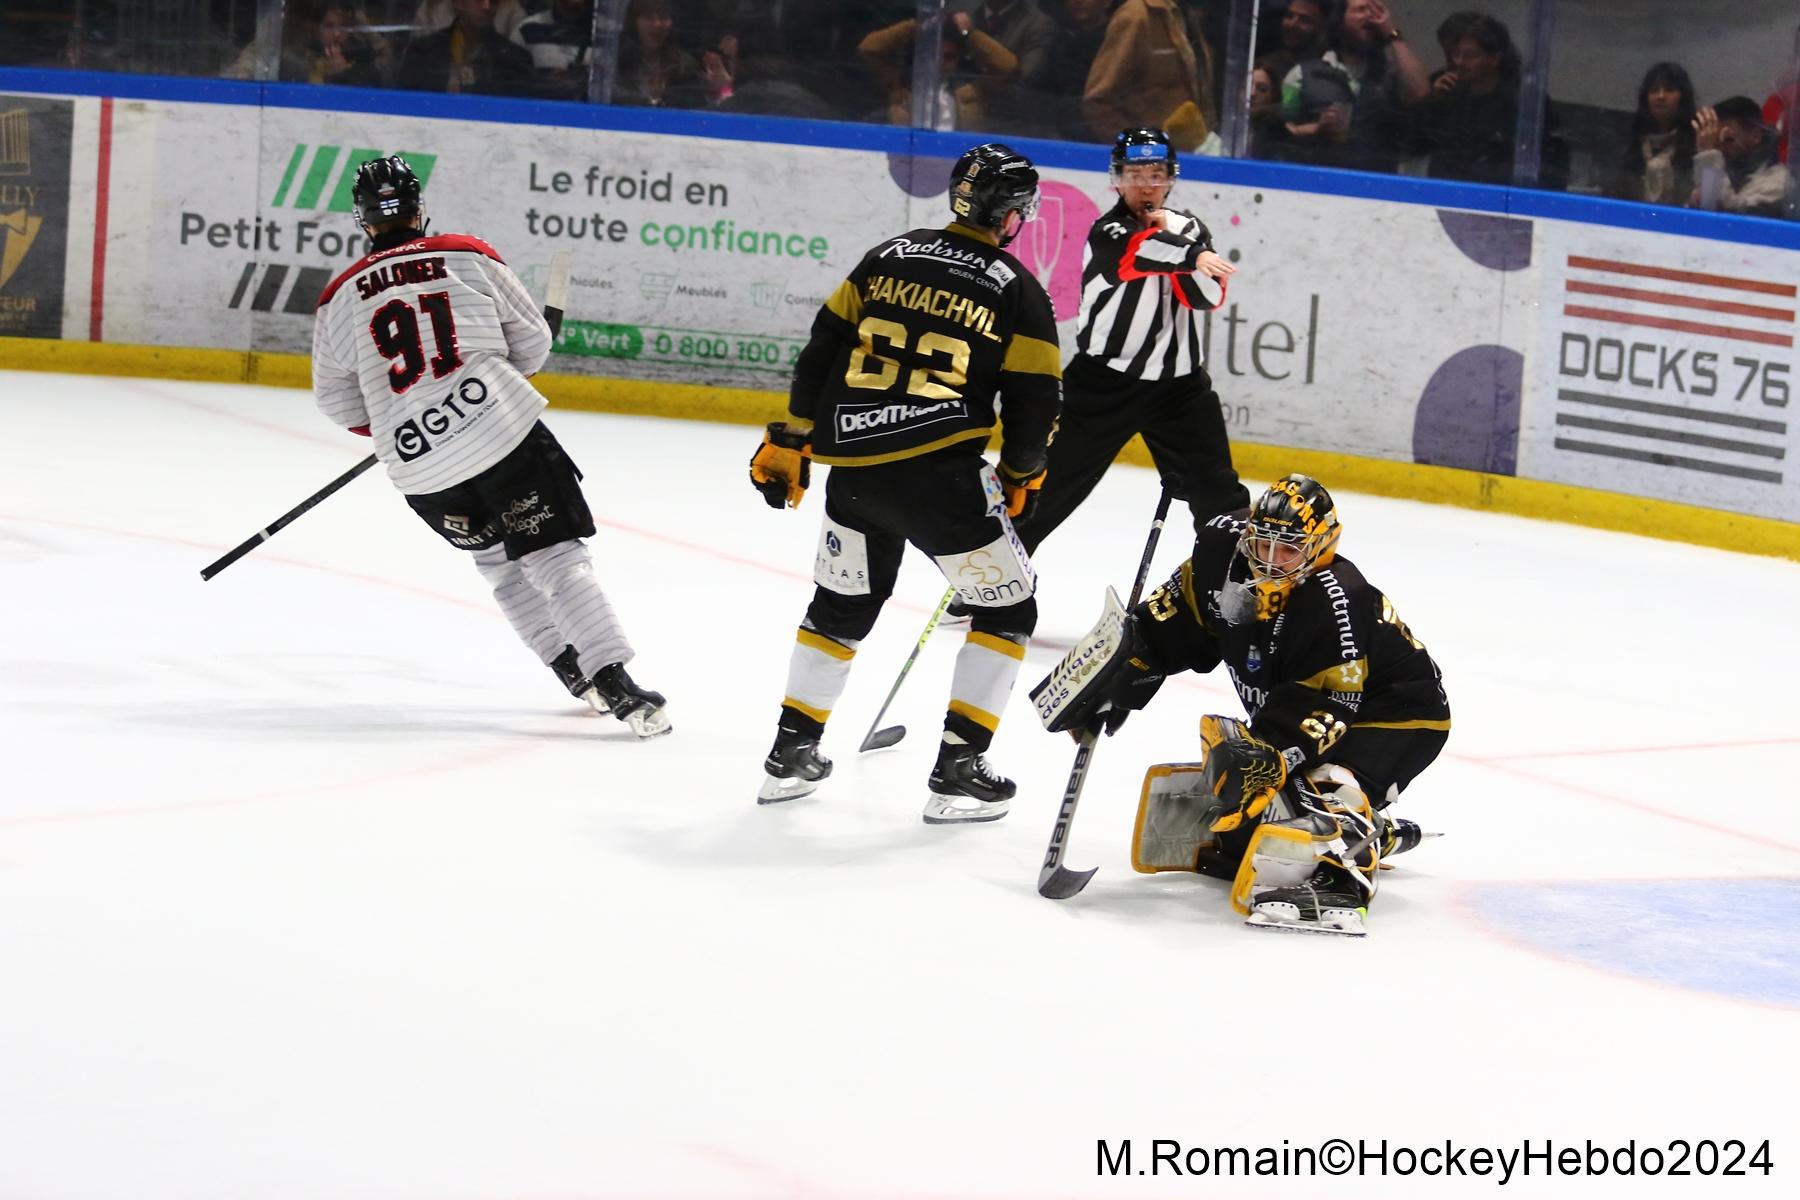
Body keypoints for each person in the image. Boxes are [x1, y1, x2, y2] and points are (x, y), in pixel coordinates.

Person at [748, 143, 1062, 824]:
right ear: (1009, 214)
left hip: (855, 477)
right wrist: (1020, 474)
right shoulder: (1016, 288)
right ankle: (957, 769)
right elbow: (1036, 404)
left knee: (840, 608)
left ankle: (790, 756)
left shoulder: (887, 256)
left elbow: (821, 349)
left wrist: (795, 435)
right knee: (1009, 610)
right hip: (943, 479)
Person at [311, 156, 671, 738]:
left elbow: (336, 402)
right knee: (555, 557)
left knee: (501, 566)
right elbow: (531, 344)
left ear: (362, 220)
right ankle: (615, 684)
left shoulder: (339, 296)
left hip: (422, 469)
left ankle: (572, 672)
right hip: (502, 434)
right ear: (419, 207)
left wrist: (403, 422)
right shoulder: (467, 253)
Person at [1031, 474, 1450, 936]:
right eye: (1262, 544)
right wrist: (1118, 677)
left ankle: (1343, 878)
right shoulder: (1220, 550)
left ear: (1322, 545)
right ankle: (1372, 830)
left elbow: (1329, 705)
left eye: (1288, 549)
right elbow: (1172, 622)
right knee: (1255, 829)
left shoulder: (1336, 600)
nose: (1270, 561)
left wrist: (1269, 755)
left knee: (1326, 785)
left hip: (1397, 712)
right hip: (1304, 701)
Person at [1013, 127, 1248, 558]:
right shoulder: (1107, 232)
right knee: (1047, 486)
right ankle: (990, 579)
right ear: (1116, 179)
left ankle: (1232, 586)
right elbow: (1137, 253)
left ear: (1171, 178)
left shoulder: (1190, 228)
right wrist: (1191, 254)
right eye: (1135, 174)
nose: (1146, 184)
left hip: (1180, 390)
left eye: (1156, 174)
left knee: (1219, 495)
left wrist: (1189, 249)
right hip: (1102, 384)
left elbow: (1206, 296)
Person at [1083, 0, 1217, 151]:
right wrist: (1143, 150)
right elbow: (1099, 102)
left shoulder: (1188, 14)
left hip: (1193, 154)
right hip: (1154, 161)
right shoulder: (1137, 15)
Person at [395, 0, 535, 95]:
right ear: (457, 2)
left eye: (493, 1)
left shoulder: (516, 60)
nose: (487, 7)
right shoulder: (422, 51)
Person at [1608, 61, 1698, 207]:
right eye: (1654, 90)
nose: (1660, 96)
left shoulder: (1696, 144)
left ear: (1683, 96)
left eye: (1669, 90)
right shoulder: (1630, 143)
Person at [1691, 95, 1792, 217]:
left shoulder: (1779, 181)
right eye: (1715, 140)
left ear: (1755, 136)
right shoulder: (1723, 168)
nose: (1720, 148)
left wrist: (1709, 154)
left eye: (1727, 139)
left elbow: (1724, 210)